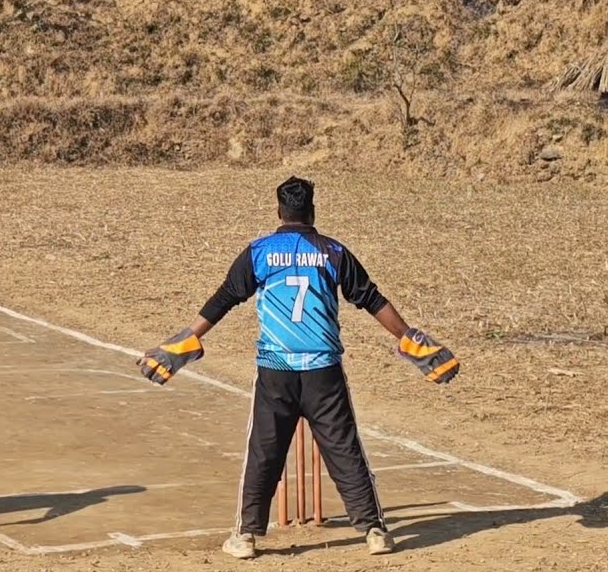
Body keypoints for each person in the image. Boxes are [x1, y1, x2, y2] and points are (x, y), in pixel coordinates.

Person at [137, 176, 460, 560]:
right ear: (311, 211)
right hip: (324, 369)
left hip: (276, 369)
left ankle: (244, 536)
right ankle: (374, 531)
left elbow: (225, 297)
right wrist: (409, 339)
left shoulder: (259, 251)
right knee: (344, 450)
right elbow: (371, 299)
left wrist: (185, 340)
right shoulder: (333, 251)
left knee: (264, 452)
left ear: (279, 212)